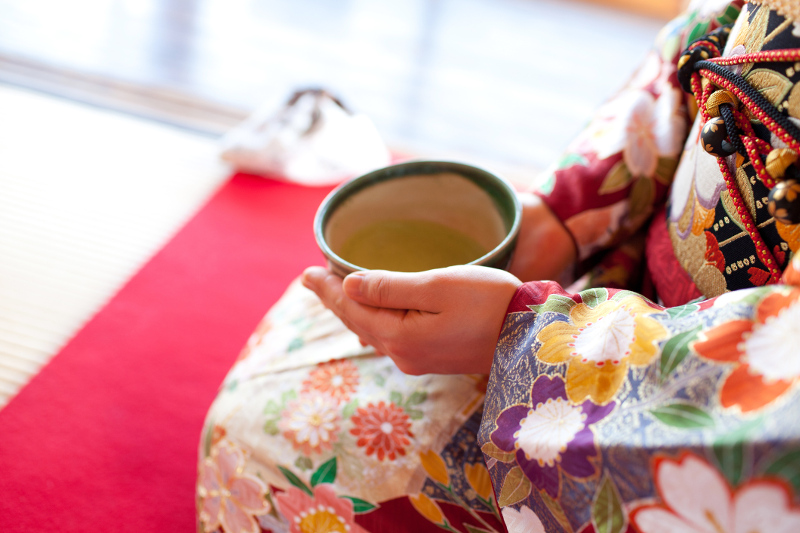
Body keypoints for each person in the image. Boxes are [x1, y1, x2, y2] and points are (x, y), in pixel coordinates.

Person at [196, 0, 800, 531]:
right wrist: (569, 213)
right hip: (630, 284)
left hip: (690, 393)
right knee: (296, 356)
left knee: (258, 447)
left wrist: (528, 341)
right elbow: (711, 33)